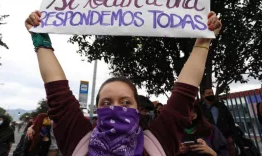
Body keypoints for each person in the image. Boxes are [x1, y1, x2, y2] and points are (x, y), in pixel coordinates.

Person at [25, 10, 222, 156]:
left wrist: (203, 43)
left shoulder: (156, 143)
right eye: (106, 103)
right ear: (97, 107)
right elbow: (57, 93)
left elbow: (184, 95)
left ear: (138, 109)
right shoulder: (78, 140)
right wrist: (39, 38)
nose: (116, 108)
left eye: (126, 102)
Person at [200, 87, 238, 156]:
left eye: (212, 93)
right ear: (203, 96)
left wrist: (232, 137)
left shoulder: (221, 106)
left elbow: (230, 121)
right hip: (210, 140)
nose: (211, 94)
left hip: (225, 138)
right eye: (208, 93)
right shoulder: (200, 109)